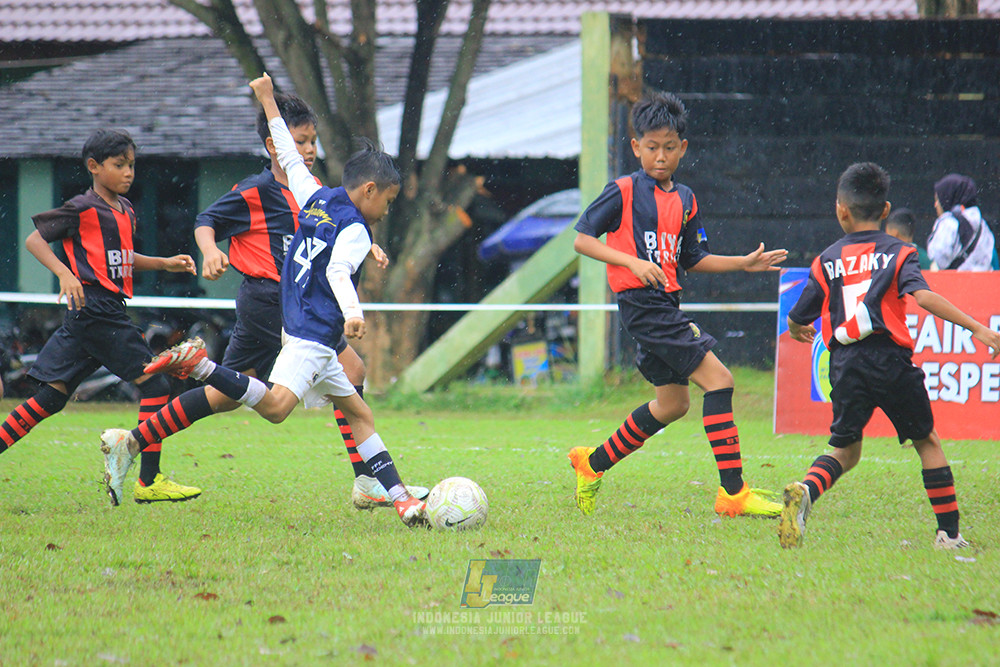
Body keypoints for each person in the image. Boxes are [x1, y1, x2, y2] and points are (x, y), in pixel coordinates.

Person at [122, 73, 427, 527]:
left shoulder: (316, 196)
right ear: (368, 191)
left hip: (300, 320)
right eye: (387, 201)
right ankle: (200, 364)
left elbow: (286, 152)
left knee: (360, 412)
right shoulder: (352, 224)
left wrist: (267, 100)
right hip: (308, 330)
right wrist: (354, 314)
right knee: (278, 407)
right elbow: (339, 269)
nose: (387, 209)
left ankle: (399, 497)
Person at [568, 91, 787, 517]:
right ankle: (734, 495)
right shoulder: (623, 191)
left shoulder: (686, 199)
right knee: (720, 381)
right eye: (651, 147)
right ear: (636, 147)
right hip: (644, 306)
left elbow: (693, 259)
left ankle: (591, 464)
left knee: (674, 405)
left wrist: (743, 263)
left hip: (663, 305)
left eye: (670, 147)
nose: (661, 156)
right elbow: (582, 239)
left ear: (683, 148)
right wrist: (632, 261)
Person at [780, 162, 1000, 549]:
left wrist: (799, 330)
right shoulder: (901, 253)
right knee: (926, 441)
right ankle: (948, 535)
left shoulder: (826, 260)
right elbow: (924, 296)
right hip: (890, 360)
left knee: (844, 451)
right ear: (885, 211)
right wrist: (977, 328)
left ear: (840, 210)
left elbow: (799, 317)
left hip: (845, 365)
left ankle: (807, 491)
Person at [0, 129, 200, 505]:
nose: (129, 173)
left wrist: (164, 263)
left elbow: (123, 258)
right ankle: (149, 480)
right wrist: (64, 273)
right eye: (119, 165)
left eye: (132, 165)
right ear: (94, 167)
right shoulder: (82, 207)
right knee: (156, 385)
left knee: (49, 399)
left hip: (94, 314)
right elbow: (34, 240)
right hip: (97, 310)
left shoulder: (125, 211)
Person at [926, 173, 995, 271]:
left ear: (948, 197)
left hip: (956, 283)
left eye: (938, 199)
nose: (935, 205)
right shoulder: (983, 224)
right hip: (982, 283)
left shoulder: (949, 222)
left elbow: (938, 259)